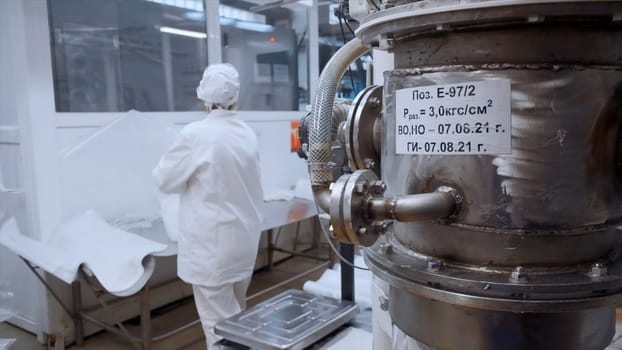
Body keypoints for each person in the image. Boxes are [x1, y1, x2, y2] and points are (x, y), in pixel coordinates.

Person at [153, 63, 263, 347]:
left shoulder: (196, 134)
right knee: (236, 321)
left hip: (213, 250)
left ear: (204, 96)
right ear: (236, 96)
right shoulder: (247, 134)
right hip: (243, 242)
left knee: (220, 332)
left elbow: (165, 180)